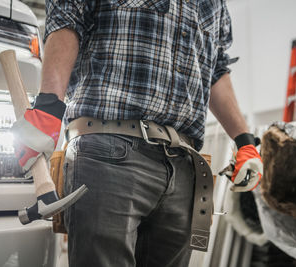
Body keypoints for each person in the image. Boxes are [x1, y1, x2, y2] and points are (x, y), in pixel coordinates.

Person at [13, 0, 263, 266]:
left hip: (184, 165)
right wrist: (49, 106)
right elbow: (67, 18)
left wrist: (245, 141)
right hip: (110, 153)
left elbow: (216, 69)